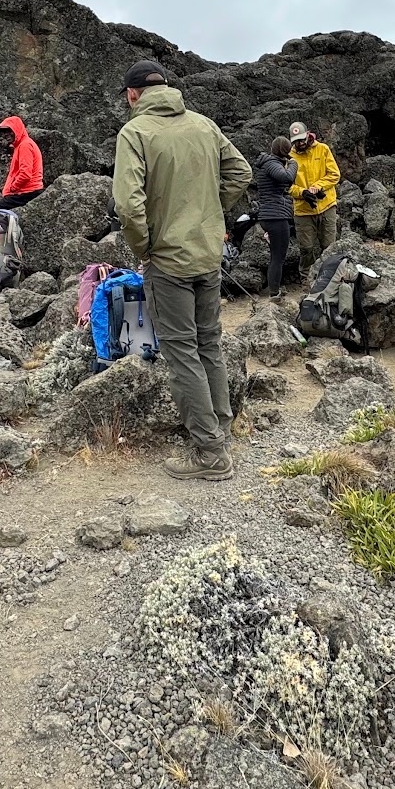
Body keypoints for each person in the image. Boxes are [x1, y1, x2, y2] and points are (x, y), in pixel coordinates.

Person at [112, 59, 252, 481]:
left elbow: (127, 205)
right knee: (208, 343)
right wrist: (211, 216)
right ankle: (220, 427)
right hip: (208, 257)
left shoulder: (134, 133)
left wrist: (146, 247)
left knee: (181, 352)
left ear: (133, 94)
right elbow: (241, 172)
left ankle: (209, 453)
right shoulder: (204, 125)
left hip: (168, 261)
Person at [287, 121, 341, 269]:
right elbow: (286, 185)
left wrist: (318, 187)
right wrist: (302, 192)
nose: (300, 143)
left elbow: (334, 174)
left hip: (327, 206)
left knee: (329, 247)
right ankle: (307, 279)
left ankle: (330, 277)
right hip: (303, 211)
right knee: (306, 249)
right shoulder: (289, 157)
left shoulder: (323, 149)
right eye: (296, 141)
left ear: (308, 134)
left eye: (302, 139)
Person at [252, 136, 297, 298]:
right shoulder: (272, 164)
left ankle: (274, 289)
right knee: (278, 256)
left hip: (268, 216)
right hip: (276, 217)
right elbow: (287, 178)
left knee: (276, 256)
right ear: (285, 150)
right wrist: (293, 164)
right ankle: (274, 294)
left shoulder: (268, 163)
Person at [0, 116, 45, 211]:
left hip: (26, 193)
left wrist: (13, 188)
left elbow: (25, 174)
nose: (5, 135)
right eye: (3, 132)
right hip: (27, 192)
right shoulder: (22, 145)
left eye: (9, 130)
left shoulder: (24, 145)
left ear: (17, 129)